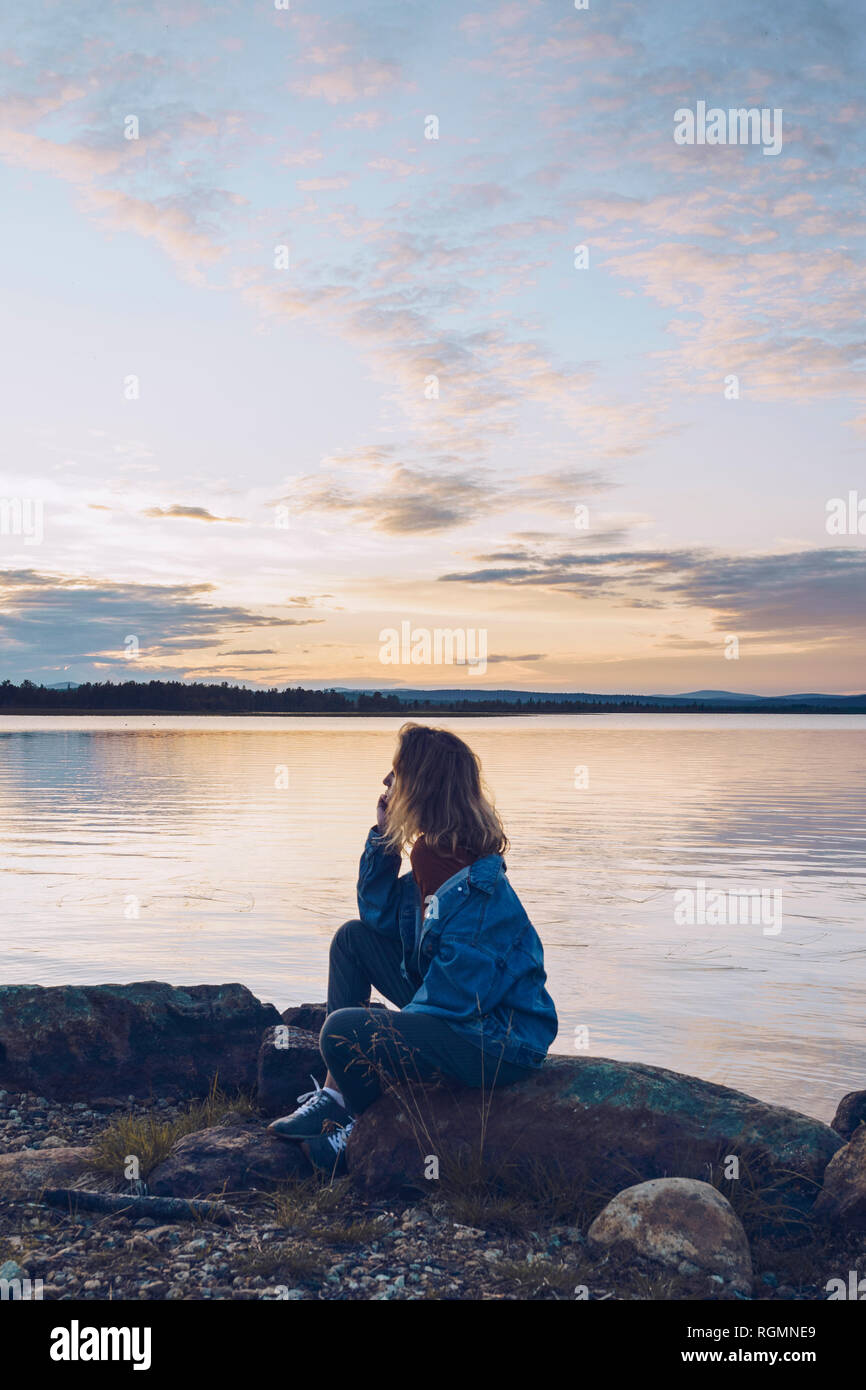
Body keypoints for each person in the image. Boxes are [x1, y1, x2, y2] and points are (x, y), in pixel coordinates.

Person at [269, 722, 558, 1174]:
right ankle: (335, 1098)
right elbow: (378, 917)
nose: (387, 782)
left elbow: (459, 997)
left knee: (345, 1031)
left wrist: (381, 1037)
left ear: (424, 786)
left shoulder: (476, 887)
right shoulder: (430, 854)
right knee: (351, 940)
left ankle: (361, 1128)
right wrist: (385, 840)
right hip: (458, 1013)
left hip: (497, 1040)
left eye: (397, 773)